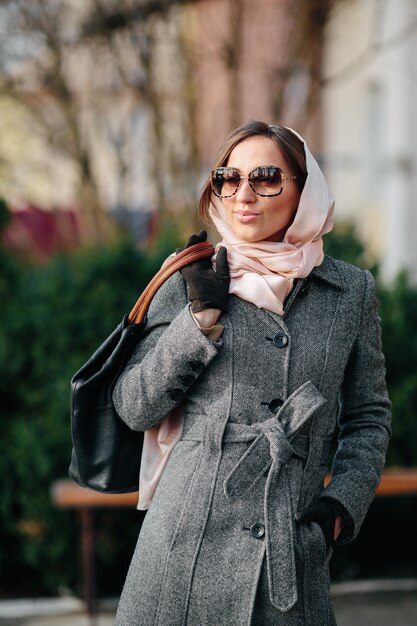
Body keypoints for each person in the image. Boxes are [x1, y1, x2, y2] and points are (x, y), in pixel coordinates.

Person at [112, 121, 391, 625]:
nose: (244, 194)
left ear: (304, 191)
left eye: (265, 178)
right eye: (229, 178)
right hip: (181, 553)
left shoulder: (350, 292)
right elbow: (134, 407)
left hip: (288, 558)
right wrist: (197, 323)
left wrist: (338, 509)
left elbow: (369, 417)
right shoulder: (189, 276)